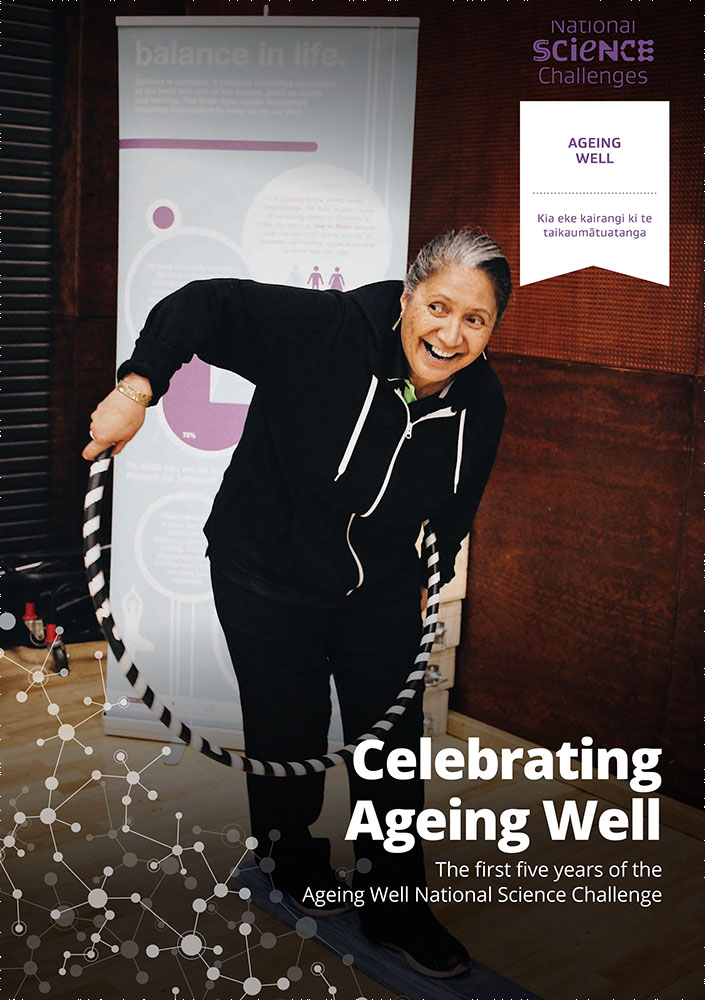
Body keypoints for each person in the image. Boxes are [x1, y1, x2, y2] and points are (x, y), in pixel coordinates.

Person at [83, 229, 510, 979]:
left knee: (393, 747)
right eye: (437, 307)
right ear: (406, 298)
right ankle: (290, 861)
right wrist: (135, 388)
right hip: (266, 570)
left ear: (491, 329)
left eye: (473, 319)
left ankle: (396, 902)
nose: (449, 334)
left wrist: (427, 573)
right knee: (290, 733)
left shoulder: (484, 403)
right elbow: (201, 305)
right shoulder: (329, 331)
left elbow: (454, 504)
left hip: (373, 585)